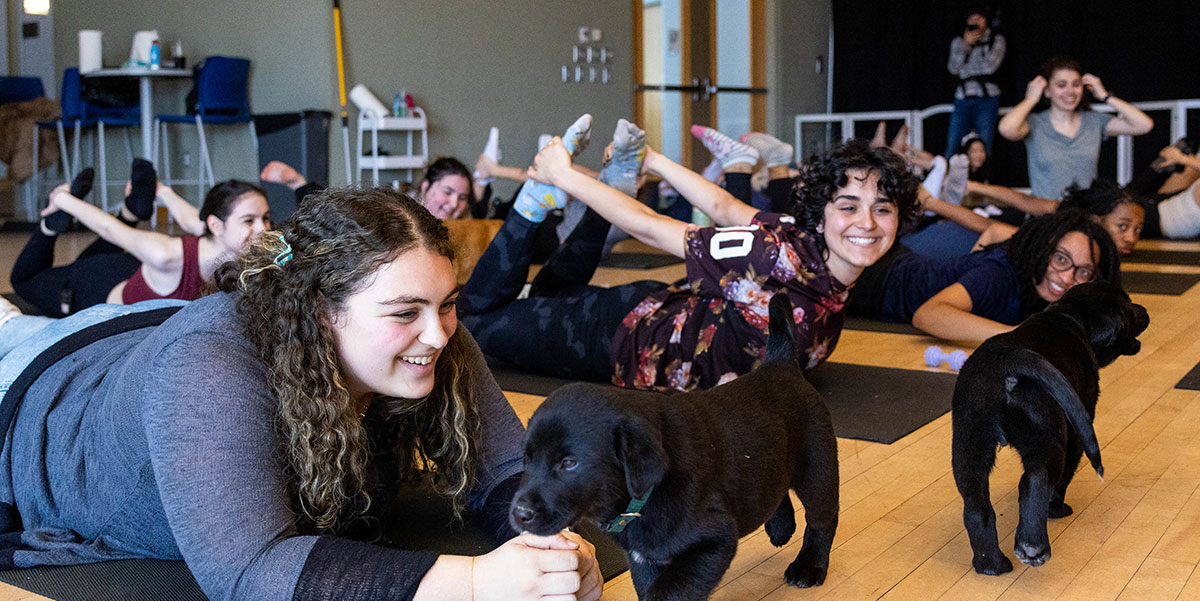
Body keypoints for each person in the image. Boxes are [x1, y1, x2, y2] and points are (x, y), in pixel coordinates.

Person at [0, 186, 601, 601]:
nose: (439, 334)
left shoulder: (432, 331)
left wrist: (551, 547)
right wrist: (482, 585)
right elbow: (251, 574)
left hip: (136, 340)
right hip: (39, 386)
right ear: (319, 313)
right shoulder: (207, 369)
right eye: (403, 313)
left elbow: (503, 472)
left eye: (446, 304)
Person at [458, 114, 921, 391]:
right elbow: (656, 229)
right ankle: (532, 204)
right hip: (618, 337)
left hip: (643, 315)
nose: (867, 223)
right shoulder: (774, 252)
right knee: (472, 322)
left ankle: (543, 201)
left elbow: (726, 205)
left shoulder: (811, 250)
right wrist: (562, 175)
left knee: (550, 291)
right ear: (820, 215)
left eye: (883, 208)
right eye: (849, 206)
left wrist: (654, 160)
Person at [12, 162, 270, 316]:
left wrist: (163, 192)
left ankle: (131, 210)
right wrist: (62, 201)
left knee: (86, 260)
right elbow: (110, 230)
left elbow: (195, 219)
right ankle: (49, 227)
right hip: (95, 288)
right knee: (22, 281)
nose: (263, 228)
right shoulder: (166, 254)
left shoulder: (222, 236)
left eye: (266, 217)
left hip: (135, 274)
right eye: (249, 220)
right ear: (217, 225)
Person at [848, 208, 1120, 342]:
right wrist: (1018, 334)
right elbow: (927, 315)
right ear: (1041, 249)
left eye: (1083, 271)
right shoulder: (998, 275)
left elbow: (997, 232)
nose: (1067, 278)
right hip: (877, 280)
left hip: (901, 259)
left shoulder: (1034, 270)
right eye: (1061, 259)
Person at [998, 57, 1153, 200]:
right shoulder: (1035, 122)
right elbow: (1007, 129)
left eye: (1076, 84)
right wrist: (1030, 99)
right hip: (1046, 216)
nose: (1070, 91)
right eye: (1061, 85)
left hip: (1085, 214)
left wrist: (1105, 96)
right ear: (1047, 91)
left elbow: (1144, 125)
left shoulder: (1093, 120)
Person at [966, 178, 1146, 258]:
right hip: (987, 231)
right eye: (1122, 227)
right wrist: (971, 187)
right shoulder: (1062, 234)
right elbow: (991, 226)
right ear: (1097, 219)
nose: (1131, 239)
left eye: (1138, 230)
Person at [945, 9, 1006, 158]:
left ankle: (983, 179)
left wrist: (967, 71)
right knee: (953, 144)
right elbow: (953, 68)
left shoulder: (995, 39)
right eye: (971, 19)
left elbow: (990, 67)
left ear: (985, 20)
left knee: (984, 146)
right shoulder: (959, 42)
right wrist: (966, 46)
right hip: (962, 98)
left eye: (978, 18)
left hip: (987, 98)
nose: (974, 22)